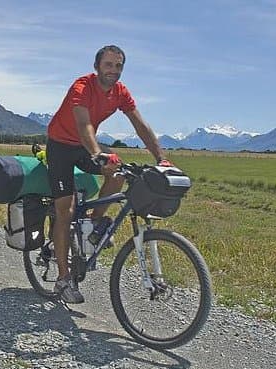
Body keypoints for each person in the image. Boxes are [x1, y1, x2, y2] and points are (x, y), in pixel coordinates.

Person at [46, 45, 173, 303]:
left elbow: (140, 125)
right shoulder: (82, 86)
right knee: (65, 210)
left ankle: (92, 226)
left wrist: (162, 158)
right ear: (97, 67)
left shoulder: (120, 92)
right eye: (108, 65)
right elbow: (84, 124)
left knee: (118, 173)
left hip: (84, 145)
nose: (113, 71)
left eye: (118, 66)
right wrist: (96, 153)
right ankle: (62, 278)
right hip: (61, 146)